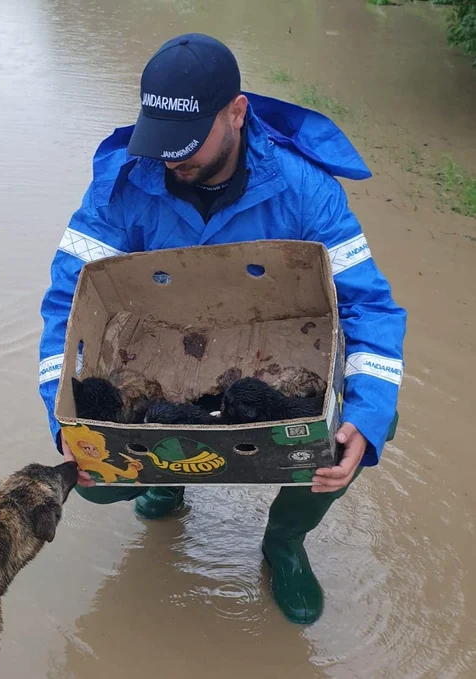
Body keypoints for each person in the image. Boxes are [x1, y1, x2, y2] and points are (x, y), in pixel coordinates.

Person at [38, 33, 406, 625]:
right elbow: (67, 301)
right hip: (163, 356)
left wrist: (368, 413)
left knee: (351, 437)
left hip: (275, 349)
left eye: (185, 144)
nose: (166, 161)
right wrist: (60, 416)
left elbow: (370, 307)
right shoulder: (123, 185)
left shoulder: (305, 189)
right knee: (97, 477)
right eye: (158, 142)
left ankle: (283, 543)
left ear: (236, 113)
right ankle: (165, 483)